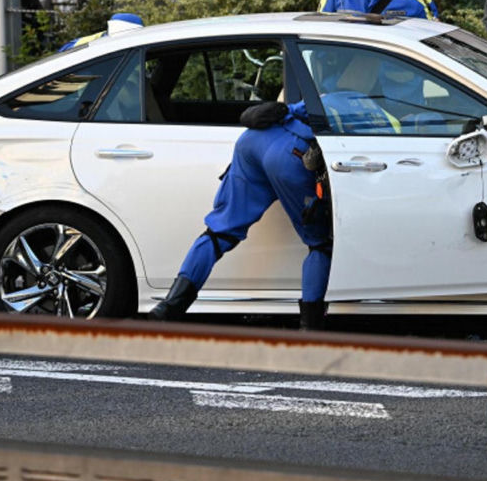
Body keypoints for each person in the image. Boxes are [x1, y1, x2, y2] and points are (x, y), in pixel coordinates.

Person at [148, 51, 399, 330]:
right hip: (292, 155)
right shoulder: (381, 112)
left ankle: (170, 306)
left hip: (254, 141)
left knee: (219, 231)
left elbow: (288, 113)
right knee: (321, 243)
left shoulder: (328, 97)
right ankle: (310, 327)